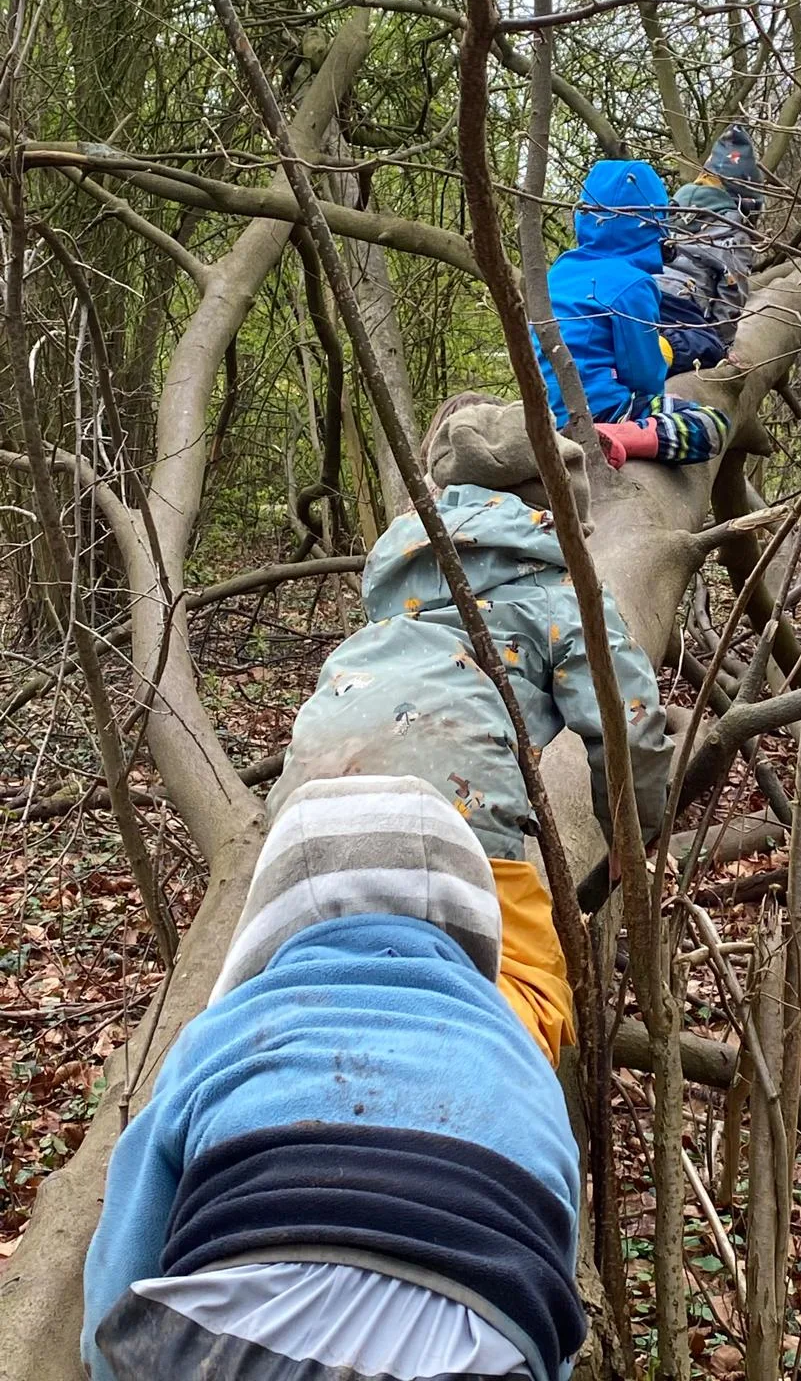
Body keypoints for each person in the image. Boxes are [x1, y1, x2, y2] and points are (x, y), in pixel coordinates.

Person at [81, 774, 585, 1381]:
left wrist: (107, 1357)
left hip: (235, 1334)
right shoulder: (523, 1057)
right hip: (480, 1351)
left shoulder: (225, 1031)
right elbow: (554, 1257)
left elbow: (125, 1254)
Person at [266, 396, 672, 867]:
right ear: (561, 508)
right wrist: (635, 836)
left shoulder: (401, 567)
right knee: (512, 941)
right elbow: (626, 723)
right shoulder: (565, 590)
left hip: (308, 790)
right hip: (454, 803)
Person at [532, 157, 732, 465]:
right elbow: (643, 374)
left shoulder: (558, 273)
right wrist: (654, 400)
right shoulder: (634, 284)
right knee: (712, 426)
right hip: (602, 411)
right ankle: (627, 436)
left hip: (546, 414)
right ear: (656, 224)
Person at [656, 124, 763, 374]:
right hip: (682, 305)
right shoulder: (732, 230)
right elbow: (731, 290)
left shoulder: (668, 210)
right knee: (705, 346)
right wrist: (721, 343)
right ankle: (663, 351)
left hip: (641, 295)